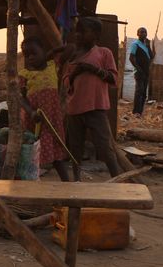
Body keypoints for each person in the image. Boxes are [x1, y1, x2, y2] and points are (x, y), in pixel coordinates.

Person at [63, 16, 121, 180]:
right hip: (74, 108)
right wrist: (75, 73)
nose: (79, 35)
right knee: (75, 147)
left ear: (96, 35)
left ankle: (117, 180)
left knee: (104, 146)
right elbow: (66, 82)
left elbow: (113, 79)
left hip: (96, 108)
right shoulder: (73, 56)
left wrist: (92, 69)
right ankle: (77, 179)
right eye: (77, 31)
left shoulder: (104, 53)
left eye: (84, 31)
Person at [19, 37, 70, 181]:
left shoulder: (52, 66)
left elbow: (70, 48)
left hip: (52, 120)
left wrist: (52, 52)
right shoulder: (24, 74)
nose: (30, 58)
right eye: (27, 55)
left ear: (44, 52)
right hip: (34, 121)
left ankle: (67, 184)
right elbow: (20, 98)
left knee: (57, 152)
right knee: (31, 153)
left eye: (34, 53)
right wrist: (31, 112)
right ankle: (30, 184)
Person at [129, 27, 153, 117]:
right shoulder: (135, 44)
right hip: (139, 72)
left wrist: (148, 46)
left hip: (146, 72)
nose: (143, 34)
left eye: (145, 32)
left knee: (143, 93)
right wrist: (138, 69)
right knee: (139, 91)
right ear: (137, 34)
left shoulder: (146, 45)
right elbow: (131, 58)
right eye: (141, 32)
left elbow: (151, 56)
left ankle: (140, 112)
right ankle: (136, 112)